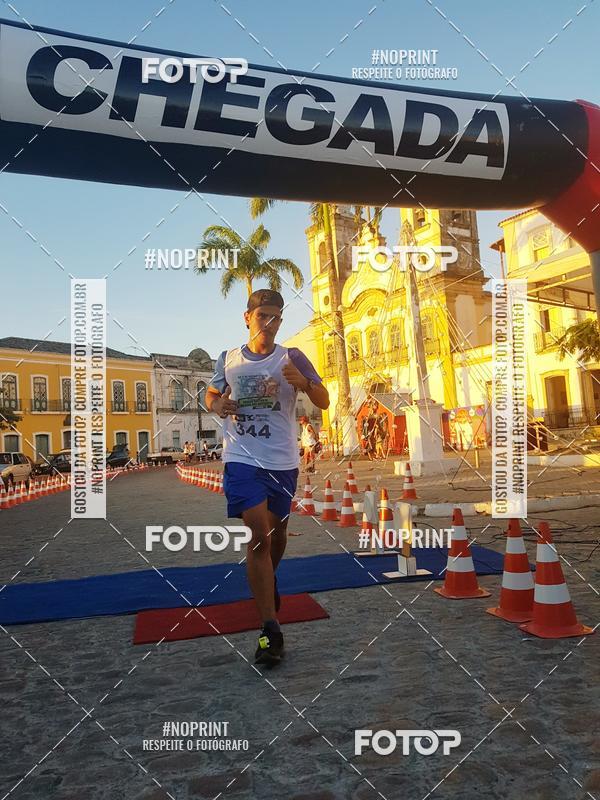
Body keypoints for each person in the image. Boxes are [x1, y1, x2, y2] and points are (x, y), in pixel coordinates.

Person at [206, 289, 329, 666]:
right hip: (241, 458)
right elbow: (211, 394)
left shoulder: (291, 357)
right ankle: (270, 628)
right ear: (248, 317)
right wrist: (218, 404)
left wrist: (304, 383)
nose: (270, 324)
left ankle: (266, 580)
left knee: (276, 537)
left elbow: (324, 399)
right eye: (263, 316)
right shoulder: (229, 359)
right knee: (258, 533)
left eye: (276, 317)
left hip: (282, 461)